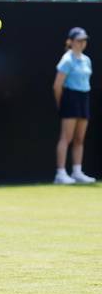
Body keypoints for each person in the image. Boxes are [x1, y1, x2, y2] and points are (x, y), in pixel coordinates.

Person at [53, 27, 96, 184]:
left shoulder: (86, 60)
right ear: (70, 42)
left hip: (84, 97)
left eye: (84, 40)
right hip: (71, 98)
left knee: (79, 138)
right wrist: (61, 103)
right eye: (78, 40)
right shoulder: (67, 59)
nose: (82, 43)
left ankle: (77, 171)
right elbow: (57, 86)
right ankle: (60, 173)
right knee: (66, 138)